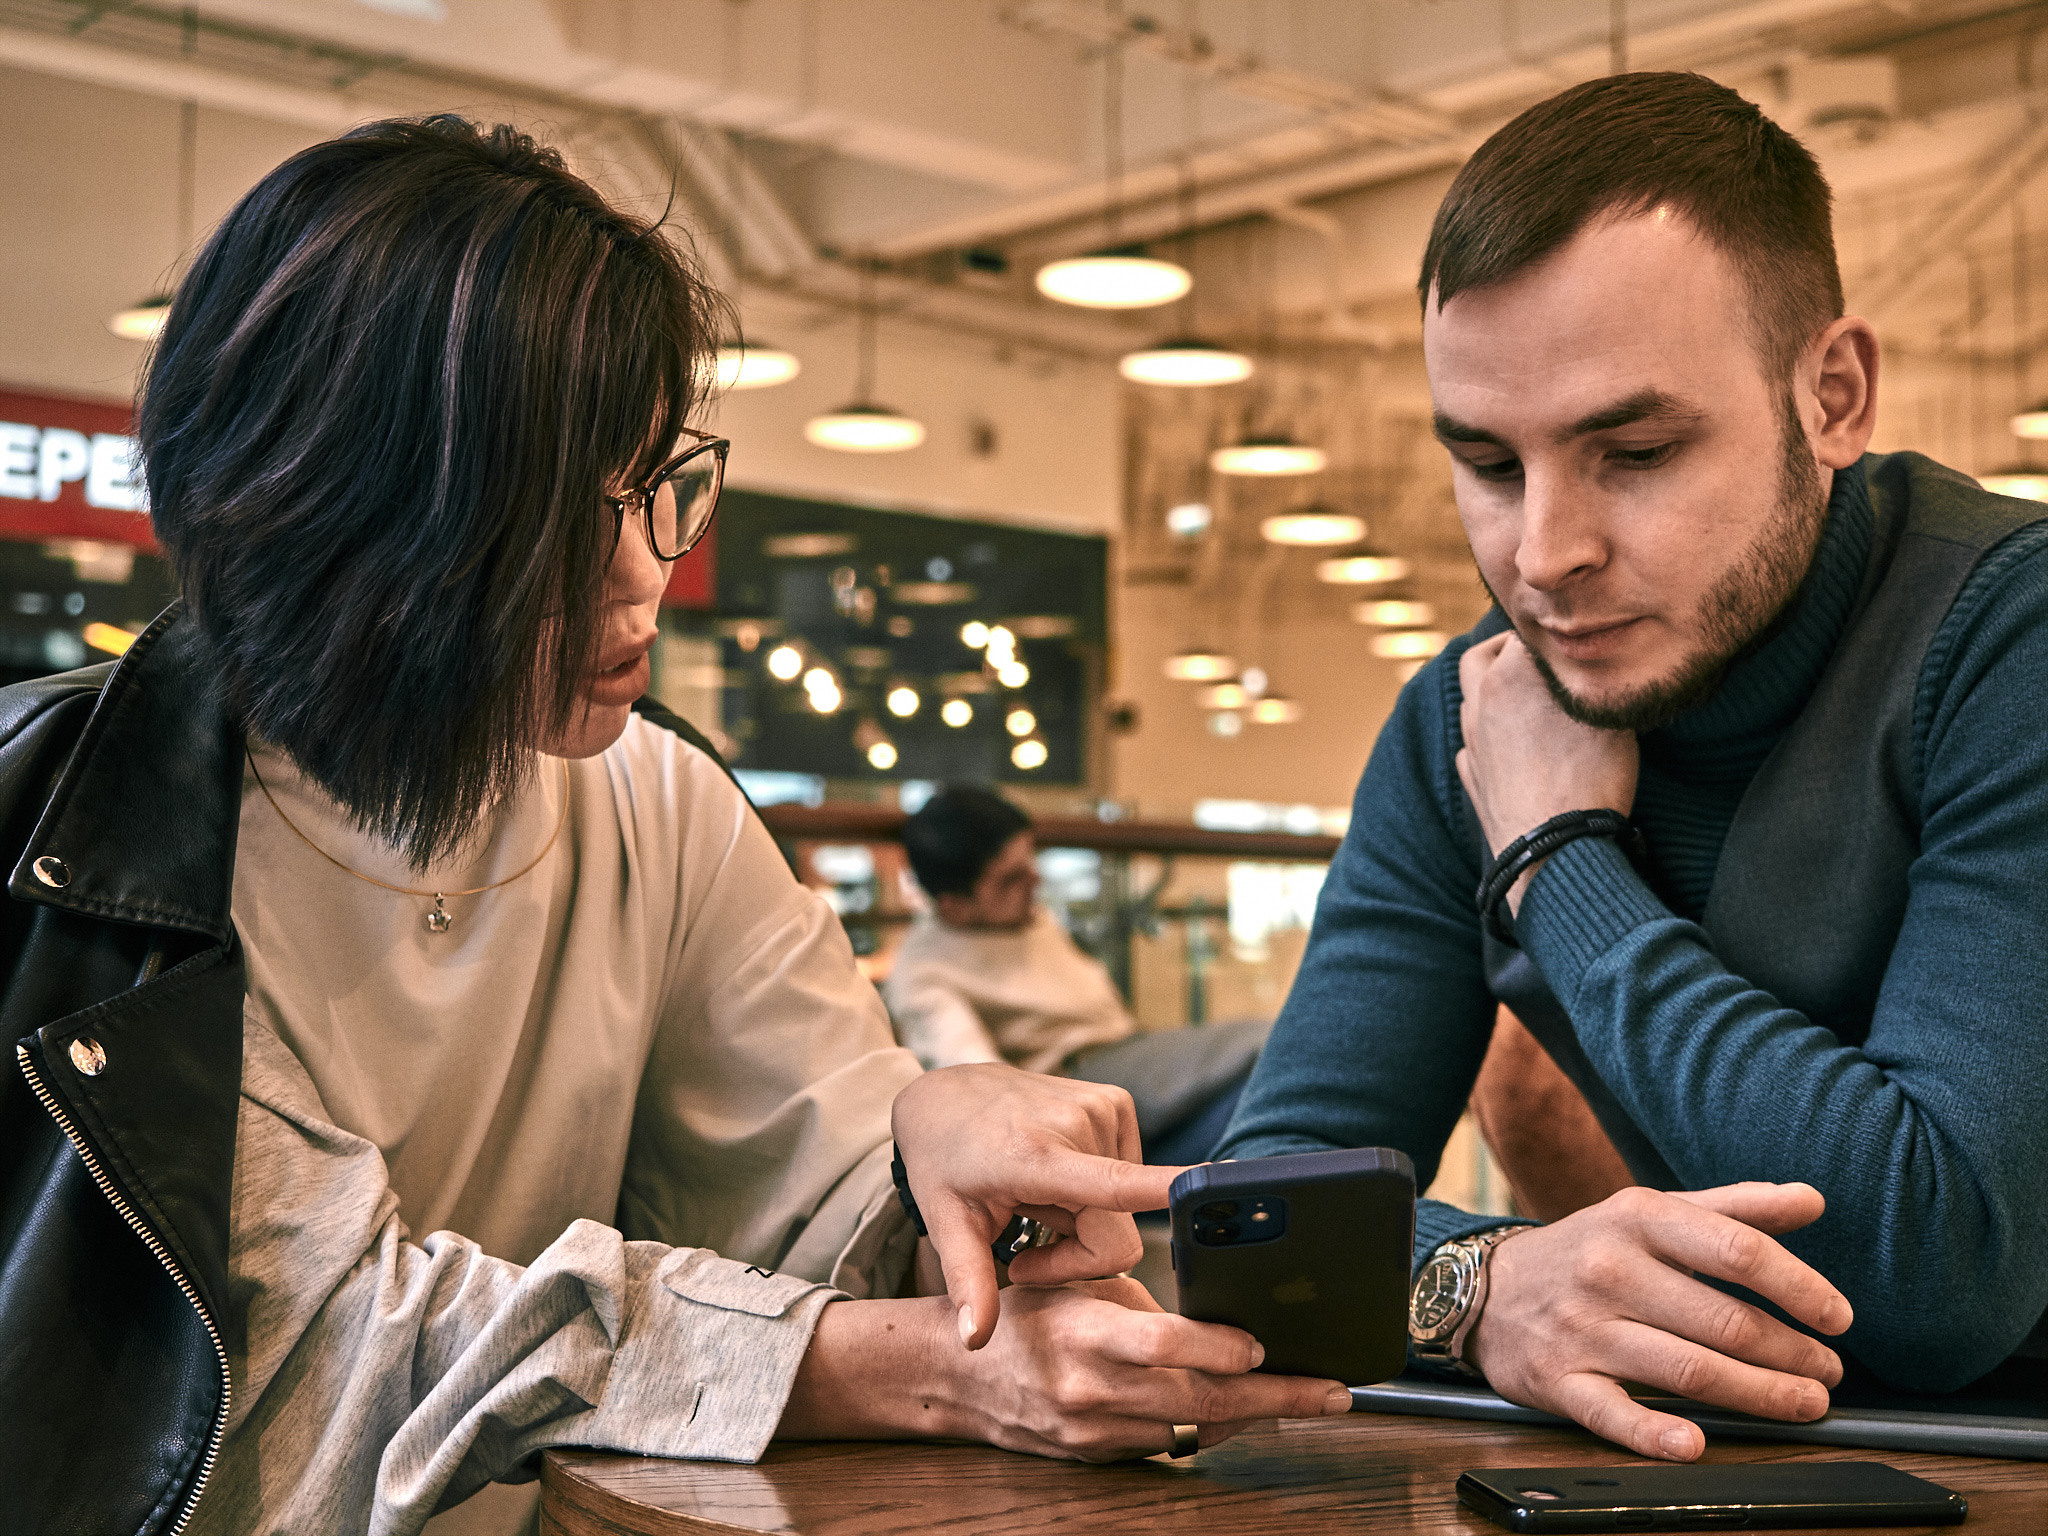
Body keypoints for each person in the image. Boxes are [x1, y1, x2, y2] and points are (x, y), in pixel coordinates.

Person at [0, 118, 1355, 1536]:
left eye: (656, 486)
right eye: (555, 517)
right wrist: (926, 1374)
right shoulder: (82, 827)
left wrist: (938, 1170)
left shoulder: (659, 798)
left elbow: (814, 1203)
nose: (643, 572)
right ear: (347, 516)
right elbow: (334, 1341)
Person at [1219, 70, 2048, 1464]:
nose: (1546, 554)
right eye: (1490, 465)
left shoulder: (2007, 639)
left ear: (1831, 397)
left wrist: (1558, 864)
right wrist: (1475, 1284)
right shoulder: (1470, 717)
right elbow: (1256, 1227)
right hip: (1709, 1458)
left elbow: (1936, 1271)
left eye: (1636, 451)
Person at [887, 785, 1267, 1165]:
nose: (1034, 880)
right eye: (1011, 878)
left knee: (1263, 1094)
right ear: (954, 907)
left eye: (1032, 861)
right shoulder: (922, 975)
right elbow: (982, 1087)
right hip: (1080, 1077)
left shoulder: (1027, 917)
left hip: (1129, 1055)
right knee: (1268, 1043)